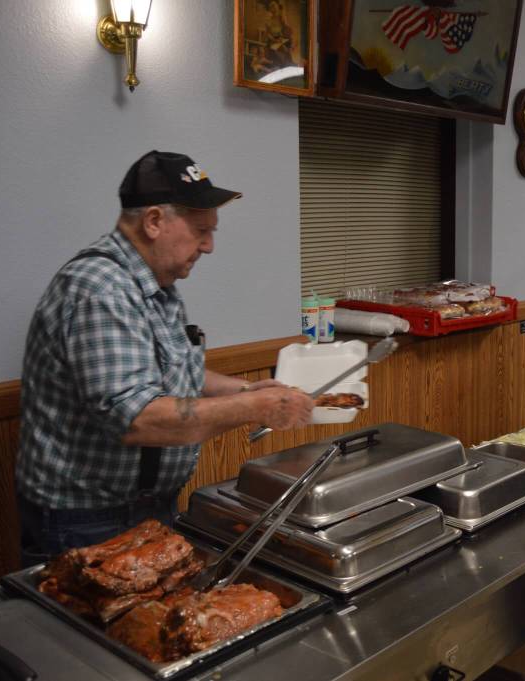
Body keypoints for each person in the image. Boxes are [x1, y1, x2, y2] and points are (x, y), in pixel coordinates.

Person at [16, 150, 315, 566]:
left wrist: (246, 387)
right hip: (87, 519)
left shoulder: (155, 282)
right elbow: (137, 419)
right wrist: (255, 405)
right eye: (200, 231)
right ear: (154, 221)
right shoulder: (98, 289)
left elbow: (174, 370)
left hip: (147, 506)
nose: (209, 246)